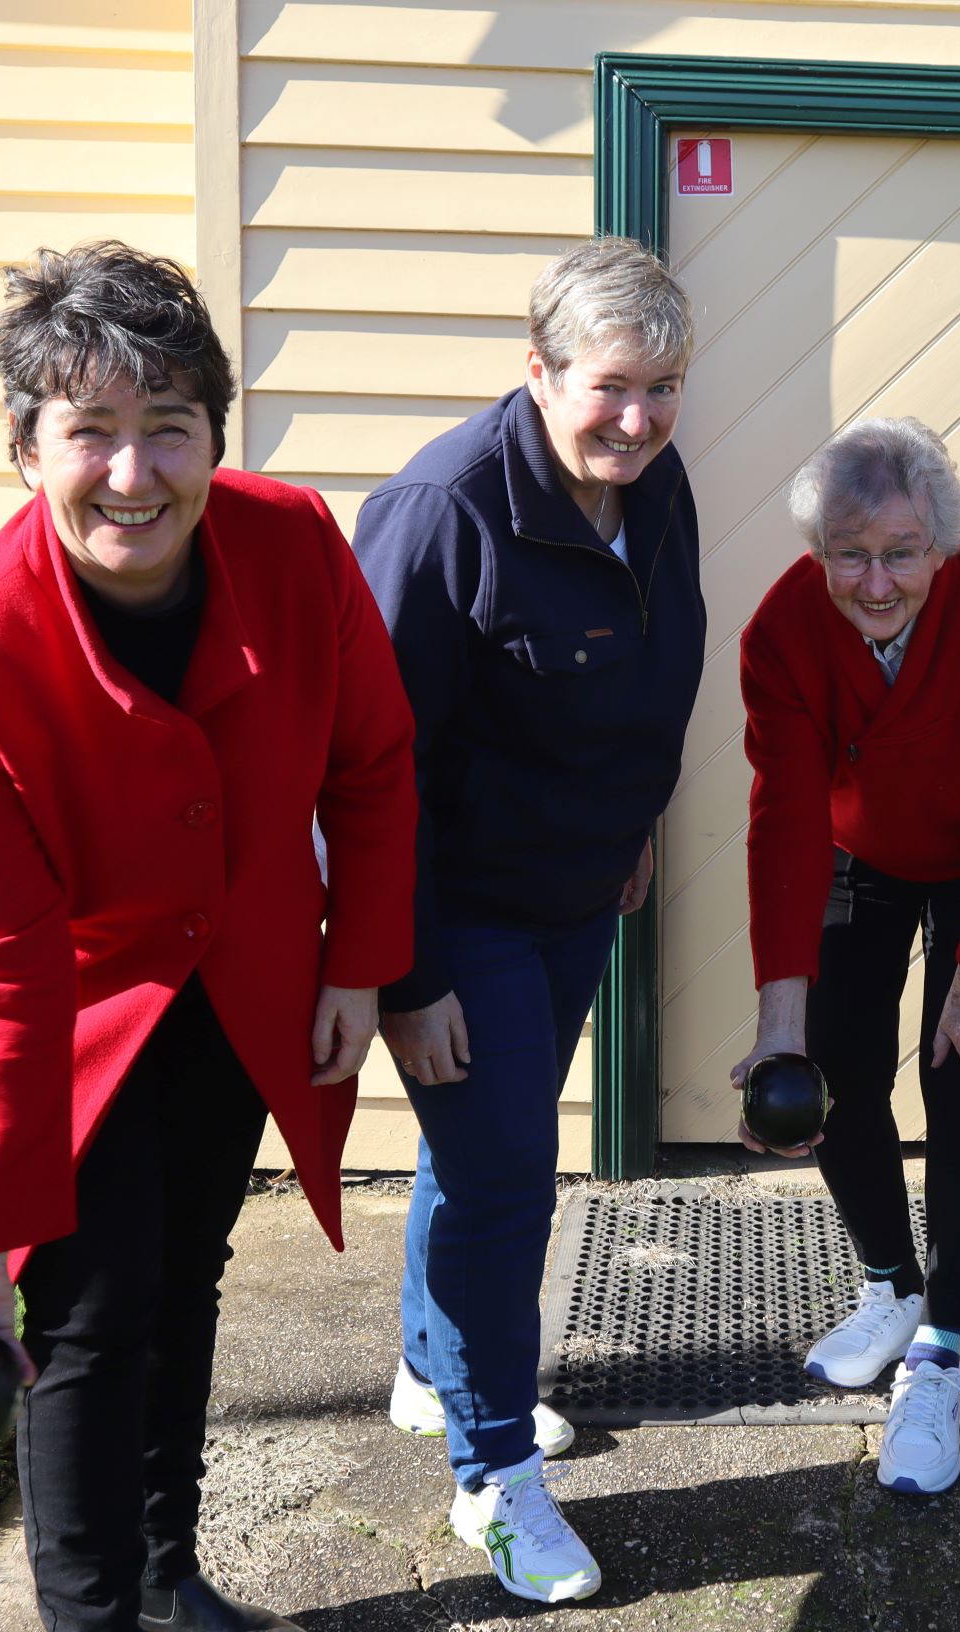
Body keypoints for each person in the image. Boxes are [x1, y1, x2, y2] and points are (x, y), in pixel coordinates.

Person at [0, 241, 420, 1632]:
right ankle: (94, 1615)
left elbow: (371, 763)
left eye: (167, 427)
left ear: (213, 437)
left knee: (189, 1275)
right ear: (25, 449)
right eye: (90, 433)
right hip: (76, 1012)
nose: (134, 474)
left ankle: (171, 1577)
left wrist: (357, 962)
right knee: (88, 1318)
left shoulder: (293, 542)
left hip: (239, 987)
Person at [351, 237, 706, 1603]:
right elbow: (374, 766)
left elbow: (655, 656)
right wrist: (408, 967)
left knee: (482, 1154)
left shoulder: (653, 484)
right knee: (506, 1184)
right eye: (610, 387)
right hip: (465, 911)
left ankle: (429, 1373)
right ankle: (495, 1479)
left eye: (663, 385)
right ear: (538, 372)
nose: (638, 416)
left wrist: (637, 824)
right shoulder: (445, 509)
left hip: (577, 890)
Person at [731, 418, 960, 1496]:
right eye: (848, 553)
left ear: (943, 548)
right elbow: (782, 812)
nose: (875, 582)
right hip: (855, 845)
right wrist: (777, 1017)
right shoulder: (782, 628)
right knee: (832, 1065)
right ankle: (891, 1283)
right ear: (816, 550)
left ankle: (943, 1349)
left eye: (902, 552)